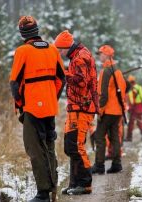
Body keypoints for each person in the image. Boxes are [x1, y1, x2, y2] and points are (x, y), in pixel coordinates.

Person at [9, 16, 65, 202]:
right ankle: (53, 188)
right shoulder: (53, 49)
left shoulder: (22, 51)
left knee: (35, 149)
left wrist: (20, 105)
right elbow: (61, 79)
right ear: (37, 30)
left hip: (32, 108)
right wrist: (51, 98)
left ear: (22, 33)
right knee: (49, 146)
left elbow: (14, 82)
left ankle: (43, 194)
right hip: (50, 107)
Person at [54, 30, 99, 195]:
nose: (59, 53)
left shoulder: (80, 57)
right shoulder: (78, 55)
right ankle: (74, 183)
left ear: (66, 47)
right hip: (76, 107)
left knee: (77, 146)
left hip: (82, 108)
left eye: (60, 50)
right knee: (70, 146)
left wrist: (63, 73)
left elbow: (81, 81)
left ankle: (85, 184)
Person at [92, 45, 126, 174]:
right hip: (117, 111)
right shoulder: (117, 70)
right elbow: (123, 90)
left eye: (100, 54)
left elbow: (103, 94)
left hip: (107, 111)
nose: (99, 56)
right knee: (115, 138)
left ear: (106, 55)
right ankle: (117, 164)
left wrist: (99, 110)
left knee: (99, 137)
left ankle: (99, 166)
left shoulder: (106, 71)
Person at [125, 75, 142, 141]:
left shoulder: (131, 89)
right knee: (139, 121)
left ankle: (129, 137)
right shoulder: (139, 87)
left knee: (131, 123)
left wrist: (130, 108)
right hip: (140, 107)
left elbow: (132, 101)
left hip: (134, 108)